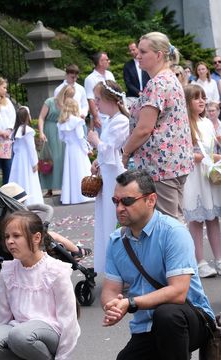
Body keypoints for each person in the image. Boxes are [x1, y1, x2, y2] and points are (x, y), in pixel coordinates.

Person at [101, 169, 214, 360]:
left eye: (127, 201)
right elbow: (110, 290)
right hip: (146, 326)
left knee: (167, 315)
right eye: (115, 201)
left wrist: (130, 303)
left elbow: (178, 292)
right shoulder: (116, 241)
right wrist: (112, 305)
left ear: (151, 200)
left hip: (191, 319)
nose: (119, 208)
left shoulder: (173, 232)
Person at [0, 211, 80, 360]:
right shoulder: (8, 271)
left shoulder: (56, 271)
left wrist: (62, 357)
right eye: (7, 237)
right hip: (17, 331)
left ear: (36, 238)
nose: (10, 241)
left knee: (21, 336)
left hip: (48, 333)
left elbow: (69, 323)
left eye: (16, 236)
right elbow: (1, 317)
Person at [121, 31, 194, 220]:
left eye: (143, 52)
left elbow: (145, 128)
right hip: (174, 162)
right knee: (173, 219)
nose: (138, 55)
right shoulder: (169, 78)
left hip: (161, 164)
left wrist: (126, 151)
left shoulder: (157, 84)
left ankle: (180, 251)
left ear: (159, 55)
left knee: (169, 223)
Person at [182, 85, 221, 278]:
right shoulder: (183, 124)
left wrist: (217, 157)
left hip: (208, 173)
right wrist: (196, 157)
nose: (201, 101)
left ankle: (220, 259)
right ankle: (199, 260)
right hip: (194, 175)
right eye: (196, 98)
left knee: (213, 218)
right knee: (196, 219)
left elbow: (209, 150)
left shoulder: (208, 123)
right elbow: (181, 153)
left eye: (203, 98)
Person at [87, 80, 130, 274]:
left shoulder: (121, 120)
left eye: (98, 99)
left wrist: (96, 141)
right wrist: (98, 162)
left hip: (116, 176)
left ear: (109, 99)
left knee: (115, 220)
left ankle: (122, 269)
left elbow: (112, 148)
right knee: (107, 220)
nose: (95, 103)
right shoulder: (110, 120)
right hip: (108, 174)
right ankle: (113, 269)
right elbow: (107, 153)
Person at [0, 182, 91, 260]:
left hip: (7, 246)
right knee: (53, 235)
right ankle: (77, 251)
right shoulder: (16, 217)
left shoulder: (0, 216)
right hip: (29, 240)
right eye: (23, 202)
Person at [38, 84, 75, 197]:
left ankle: (63, 185)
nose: (70, 98)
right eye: (69, 96)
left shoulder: (68, 104)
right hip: (50, 130)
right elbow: (41, 117)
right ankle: (49, 188)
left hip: (62, 131)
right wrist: (41, 132)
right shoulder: (50, 102)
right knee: (50, 158)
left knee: (62, 158)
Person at [57, 98, 93, 205]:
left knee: (70, 173)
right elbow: (80, 137)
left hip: (69, 149)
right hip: (78, 149)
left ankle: (71, 196)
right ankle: (85, 195)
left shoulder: (61, 123)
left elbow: (61, 138)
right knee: (82, 170)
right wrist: (87, 149)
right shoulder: (77, 121)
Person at [8, 106, 44, 205]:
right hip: (27, 160)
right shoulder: (27, 131)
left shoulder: (15, 131)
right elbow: (31, 149)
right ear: (27, 116)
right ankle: (31, 202)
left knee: (19, 178)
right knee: (29, 179)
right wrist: (34, 162)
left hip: (18, 160)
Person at [84, 52, 115, 130]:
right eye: (107, 60)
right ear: (100, 62)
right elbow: (90, 99)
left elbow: (115, 92)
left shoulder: (110, 74)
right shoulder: (90, 78)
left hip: (112, 112)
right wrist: (95, 117)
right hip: (100, 114)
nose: (109, 61)